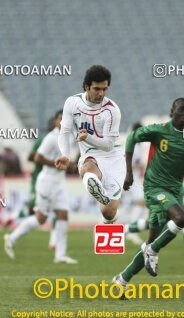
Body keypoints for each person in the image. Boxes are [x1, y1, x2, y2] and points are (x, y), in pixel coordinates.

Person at [112, 98, 184, 291]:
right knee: (182, 218)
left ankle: (122, 280)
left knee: (152, 238)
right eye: (181, 111)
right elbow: (132, 137)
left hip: (173, 190)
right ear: (171, 112)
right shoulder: (158, 130)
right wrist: (128, 172)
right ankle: (153, 250)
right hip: (154, 187)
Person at [4, 110, 78, 264]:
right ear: (56, 121)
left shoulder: (69, 137)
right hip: (47, 182)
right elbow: (37, 157)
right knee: (41, 218)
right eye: (60, 119)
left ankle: (60, 255)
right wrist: (56, 164)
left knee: (63, 215)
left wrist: (71, 165)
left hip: (58, 183)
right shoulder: (52, 138)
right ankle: (11, 237)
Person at [55, 65, 125, 224]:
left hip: (113, 158)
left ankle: (108, 216)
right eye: (97, 89)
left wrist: (88, 138)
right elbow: (65, 132)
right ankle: (91, 180)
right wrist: (65, 155)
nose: (101, 93)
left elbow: (108, 145)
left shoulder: (112, 111)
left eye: (105, 89)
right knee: (87, 170)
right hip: (90, 155)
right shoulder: (72, 103)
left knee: (108, 212)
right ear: (86, 87)